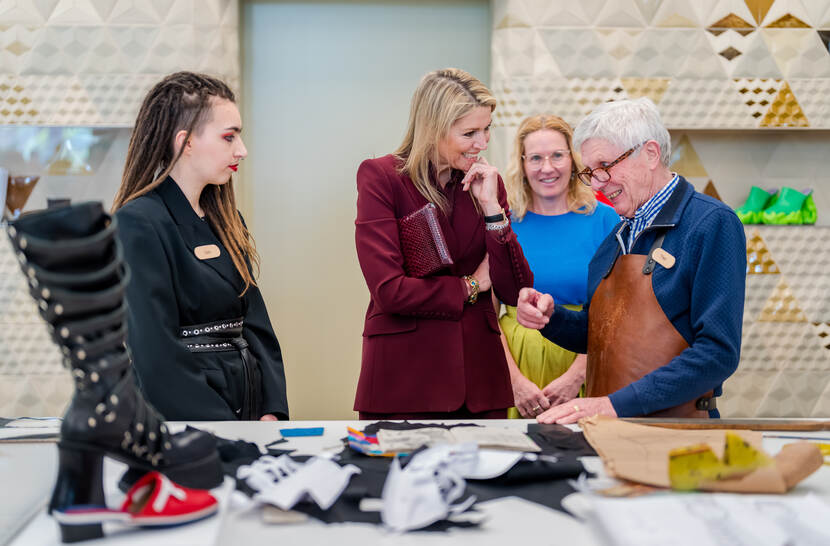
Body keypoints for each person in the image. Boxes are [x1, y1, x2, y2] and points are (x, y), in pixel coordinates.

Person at [517, 98, 745, 423]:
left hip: (677, 430)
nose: (597, 183)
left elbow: (717, 353)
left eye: (605, 166)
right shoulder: (616, 237)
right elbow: (598, 335)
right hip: (609, 427)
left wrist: (614, 405)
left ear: (650, 154)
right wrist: (551, 318)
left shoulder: (711, 223)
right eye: (590, 172)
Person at [354, 68, 533, 420]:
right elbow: (390, 291)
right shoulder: (382, 178)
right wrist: (472, 285)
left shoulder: (488, 185)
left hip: (481, 383)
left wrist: (492, 210)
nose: (482, 143)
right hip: (404, 379)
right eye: (469, 133)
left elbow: (515, 290)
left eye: (486, 129)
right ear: (433, 129)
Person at [112, 71, 288, 421]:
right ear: (186, 142)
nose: (242, 150)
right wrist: (225, 430)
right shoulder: (138, 222)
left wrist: (272, 410)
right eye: (229, 137)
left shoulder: (228, 220)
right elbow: (155, 353)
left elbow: (257, 324)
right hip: (189, 419)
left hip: (249, 409)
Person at [498, 115, 619, 419]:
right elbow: (486, 312)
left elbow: (619, 309)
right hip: (516, 365)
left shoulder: (606, 219)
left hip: (587, 360)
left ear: (573, 160)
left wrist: (577, 375)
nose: (547, 167)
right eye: (536, 158)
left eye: (557, 155)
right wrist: (514, 382)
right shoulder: (504, 222)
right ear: (522, 164)